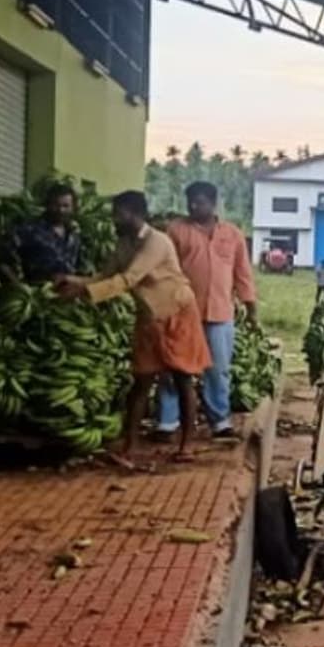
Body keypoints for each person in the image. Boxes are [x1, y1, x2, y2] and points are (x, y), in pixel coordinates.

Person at [56, 191, 210, 462]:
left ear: (135, 214)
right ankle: (131, 443)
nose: (115, 219)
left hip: (177, 312)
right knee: (141, 381)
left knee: (183, 379)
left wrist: (84, 295)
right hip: (149, 316)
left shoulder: (156, 242)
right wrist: (72, 281)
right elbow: (105, 276)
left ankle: (186, 444)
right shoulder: (124, 244)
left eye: (119, 213)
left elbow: (128, 278)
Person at [154, 181, 257, 441]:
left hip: (220, 314)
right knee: (175, 368)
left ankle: (219, 421)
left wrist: (251, 308)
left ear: (213, 203)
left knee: (218, 369)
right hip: (182, 312)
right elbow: (165, 269)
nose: (193, 206)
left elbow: (243, 274)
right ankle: (167, 422)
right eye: (190, 201)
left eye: (199, 201)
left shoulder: (232, 234)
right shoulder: (176, 231)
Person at [0, 182, 81, 283]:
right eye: (56, 205)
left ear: (73, 208)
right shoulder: (30, 229)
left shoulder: (73, 236)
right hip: (38, 295)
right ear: (47, 204)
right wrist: (16, 285)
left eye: (66, 206)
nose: (61, 210)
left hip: (69, 295)